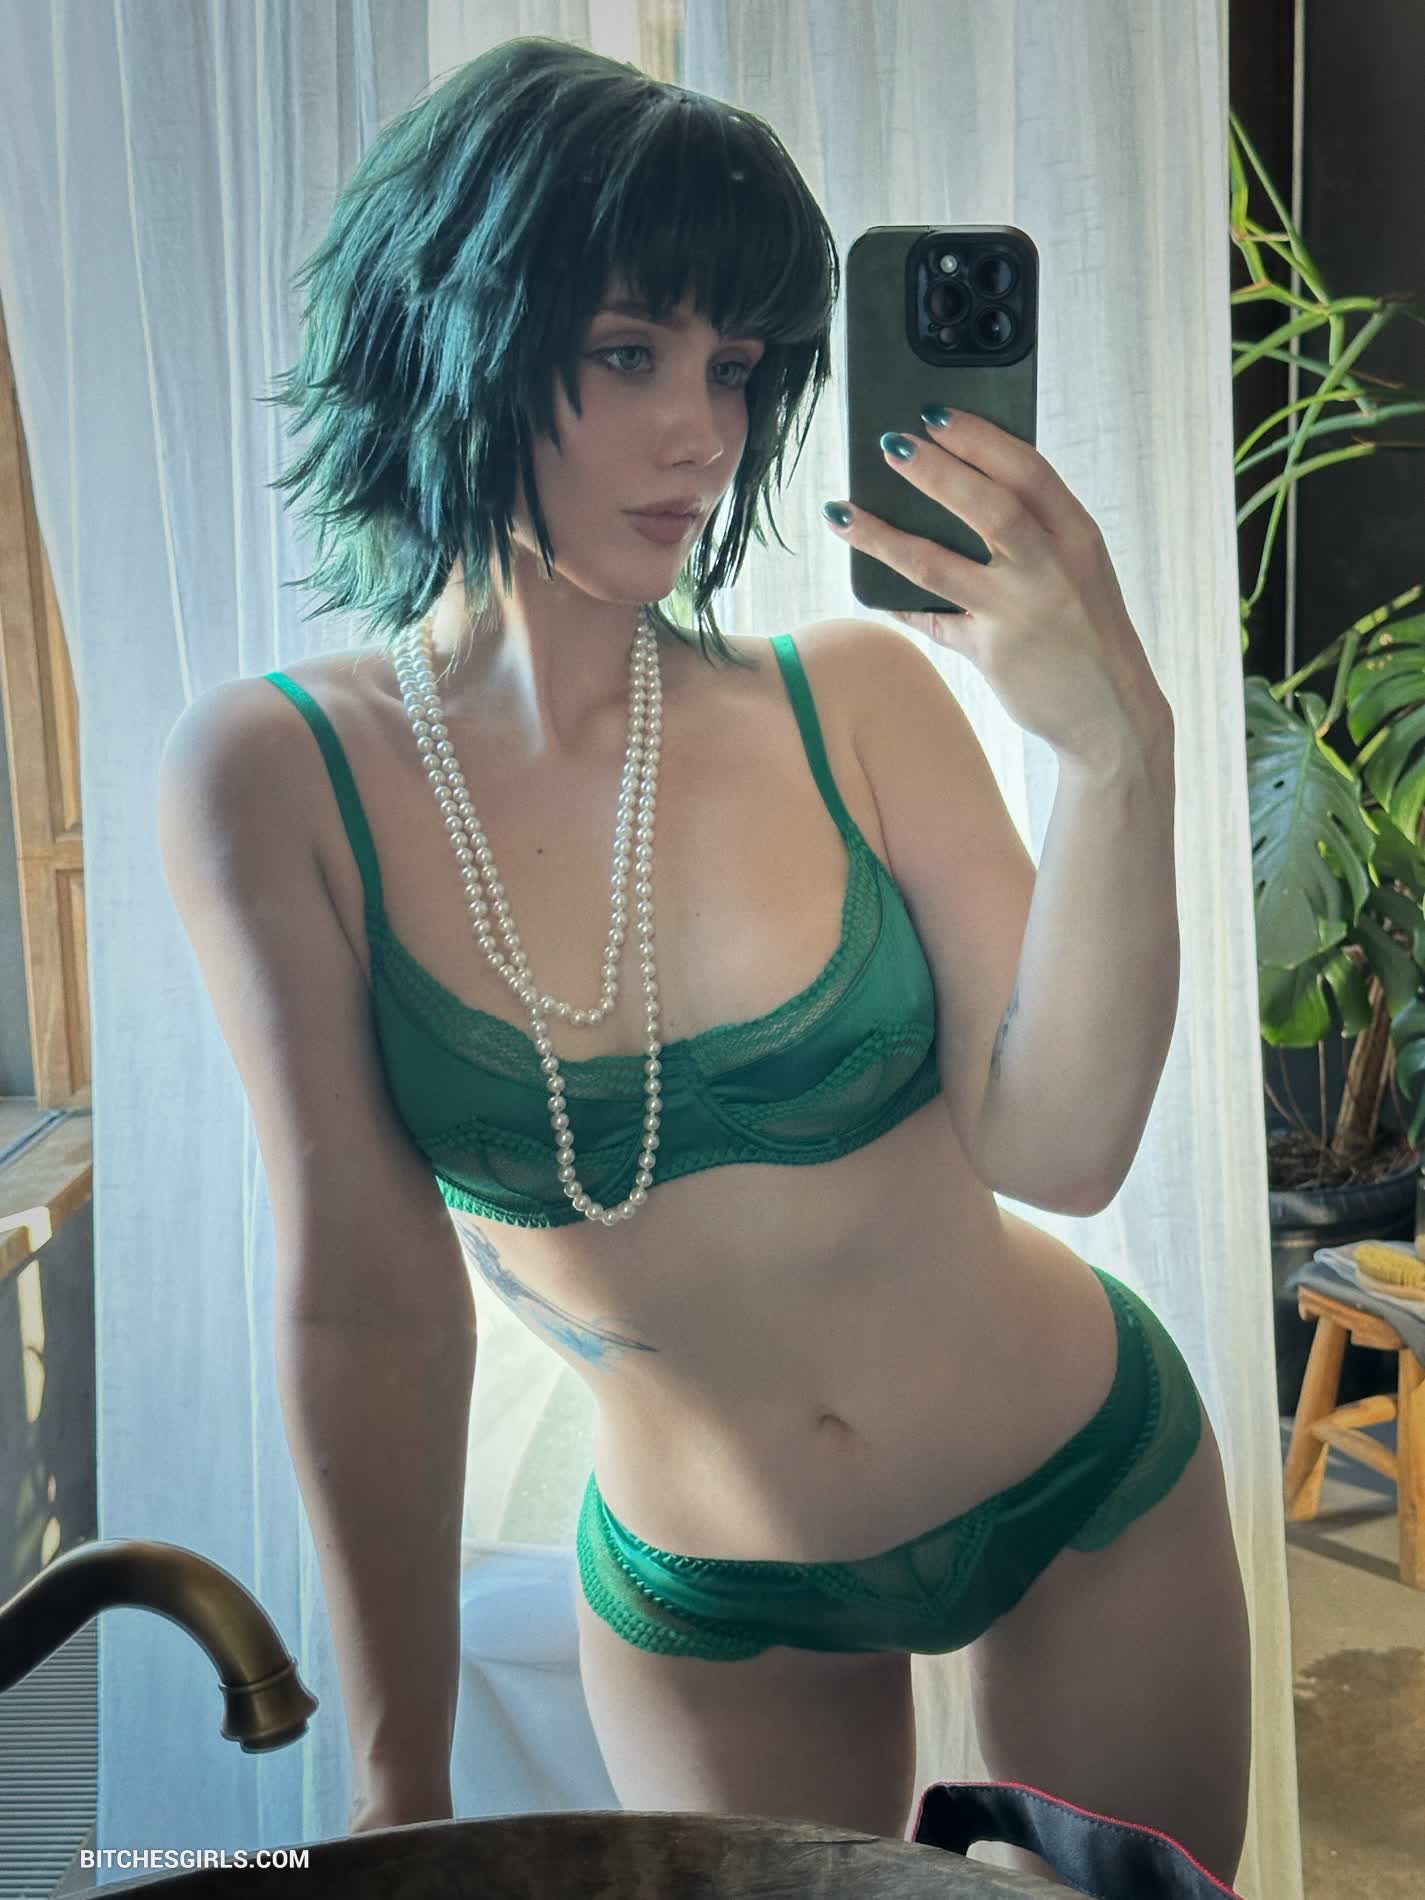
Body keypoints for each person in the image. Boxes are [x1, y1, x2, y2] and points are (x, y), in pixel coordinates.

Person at [156, 35, 1252, 1883]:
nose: (703, 433)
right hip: (712, 1593)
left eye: (734, 367)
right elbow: (367, 1305)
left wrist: (1113, 750)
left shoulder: (854, 696)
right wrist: (395, 1781)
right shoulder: (275, 774)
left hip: (1078, 1479)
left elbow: (1063, 1152)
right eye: (626, 354)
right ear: (453, 335)